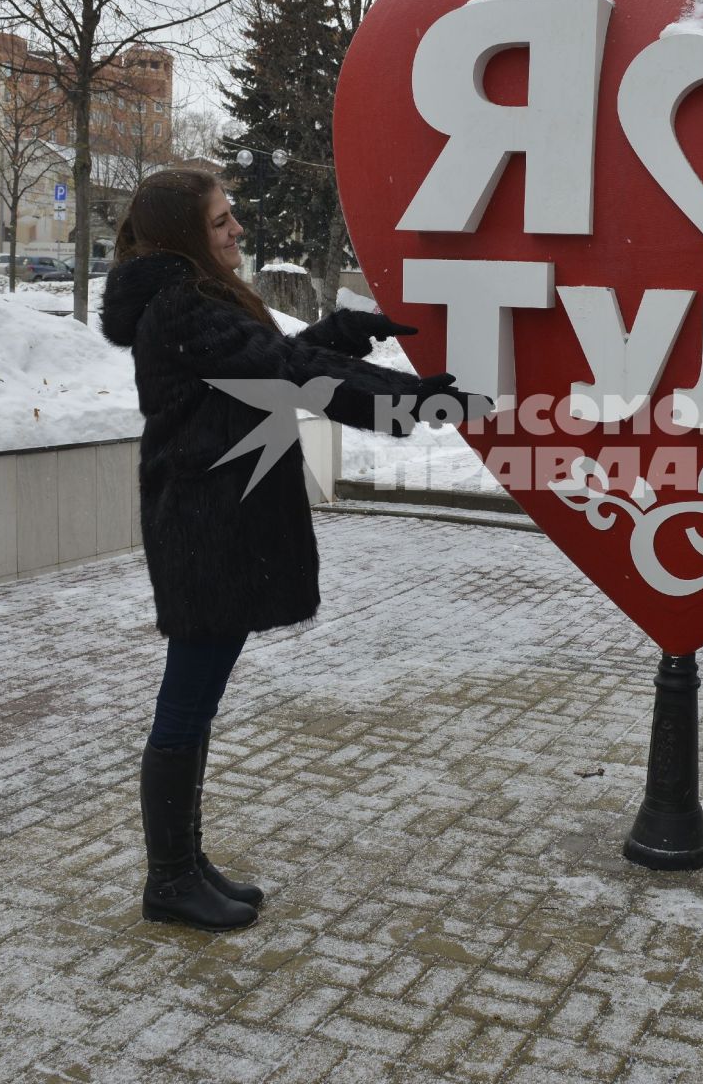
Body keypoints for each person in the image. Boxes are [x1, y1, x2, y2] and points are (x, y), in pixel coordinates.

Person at [100, 170, 486, 933]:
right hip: (208, 529)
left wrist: (337, 338)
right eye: (219, 222)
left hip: (216, 523)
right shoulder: (183, 303)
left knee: (195, 702)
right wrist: (407, 399)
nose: (236, 229)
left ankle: (183, 864)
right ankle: (170, 880)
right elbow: (284, 378)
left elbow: (263, 366)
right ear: (183, 235)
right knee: (185, 706)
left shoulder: (193, 300)